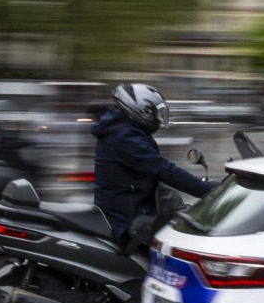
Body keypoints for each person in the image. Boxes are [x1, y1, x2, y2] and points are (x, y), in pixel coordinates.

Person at [92, 83, 217, 245]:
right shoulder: (123, 138)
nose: (158, 119)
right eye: (155, 114)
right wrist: (210, 193)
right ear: (141, 111)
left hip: (134, 212)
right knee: (187, 239)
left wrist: (206, 186)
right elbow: (164, 170)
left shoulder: (121, 131)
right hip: (127, 223)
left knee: (184, 217)